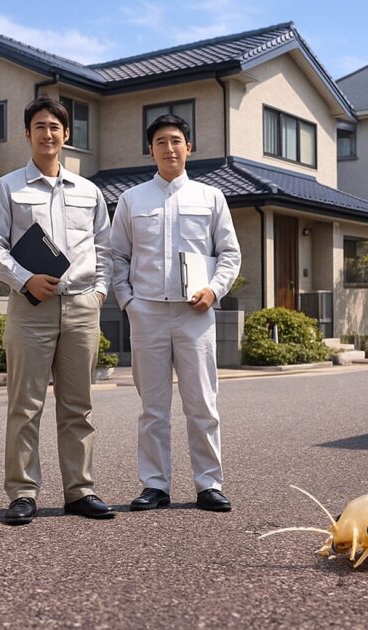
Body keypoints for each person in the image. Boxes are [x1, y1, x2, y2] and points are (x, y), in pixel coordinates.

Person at [0, 97, 114, 525]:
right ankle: (22, 492)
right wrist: (24, 279)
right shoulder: (7, 187)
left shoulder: (89, 192)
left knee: (79, 405)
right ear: (27, 134)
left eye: (55, 127)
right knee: (25, 404)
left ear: (66, 134)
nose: (48, 133)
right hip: (29, 306)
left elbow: (105, 249)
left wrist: (99, 293)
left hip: (80, 307)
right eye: (39, 126)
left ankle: (80, 490)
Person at [110, 114, 241, 512]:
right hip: (147, 312)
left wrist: (214, 290)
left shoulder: (211, 198)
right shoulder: (133, 199)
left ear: (190, 148)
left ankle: (208, 484)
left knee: (202, 403)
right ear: (150, 150)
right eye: (161, 142)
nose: (170, 148)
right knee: (153, 408)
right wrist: (129, 302)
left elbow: (230, 254)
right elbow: (116, 256)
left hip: (195, 314)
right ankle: (155, 485)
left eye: (177, 140)